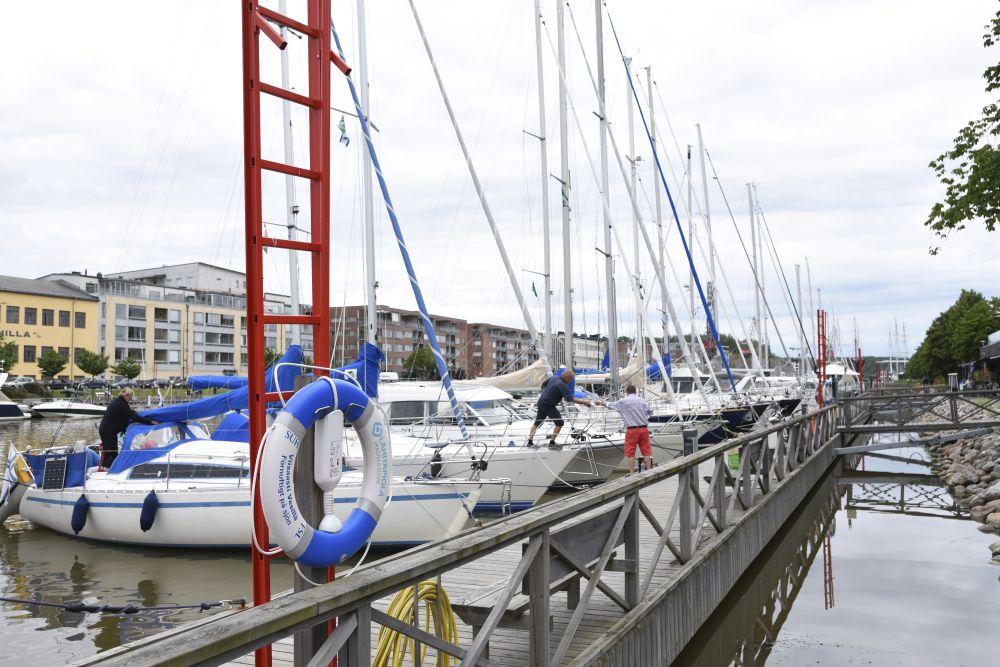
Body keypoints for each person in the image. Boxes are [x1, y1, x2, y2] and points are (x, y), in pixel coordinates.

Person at [526, 369, 596, 447]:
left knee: (537, 423)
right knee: (559, 423)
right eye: (571, 379)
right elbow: (570, 399)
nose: (570, 381)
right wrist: (585, 403)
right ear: (567, 378)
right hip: (548, 404)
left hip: (541, 401)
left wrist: (547, 392)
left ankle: (530, 442)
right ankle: (552, 443)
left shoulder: (553, 378)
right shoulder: (562, 385)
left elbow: (543, 384)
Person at [98, 387, 156, 467]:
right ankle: (108, 469)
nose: (132, 398)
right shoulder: (121, 404)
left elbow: (130, 413)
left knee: (110, 450)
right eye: (131, 396)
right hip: (108, 431)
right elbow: (133, 416)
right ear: (127, 395)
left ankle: (107, 467)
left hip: (108, 430)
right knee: (112, 452)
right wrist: (150, 421)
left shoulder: (120, 402)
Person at [605, 385, 653, 474]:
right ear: (635, 391)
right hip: (644, 428)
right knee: (646, 451)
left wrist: (603, 403)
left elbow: (612, 405)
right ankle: (649, 471)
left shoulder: (624, 401)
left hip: (632, 430)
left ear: (627, 392)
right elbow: (651, 411)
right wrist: (644, 418)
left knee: (630, 452)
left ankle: (631, 473)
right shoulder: (642, 400)